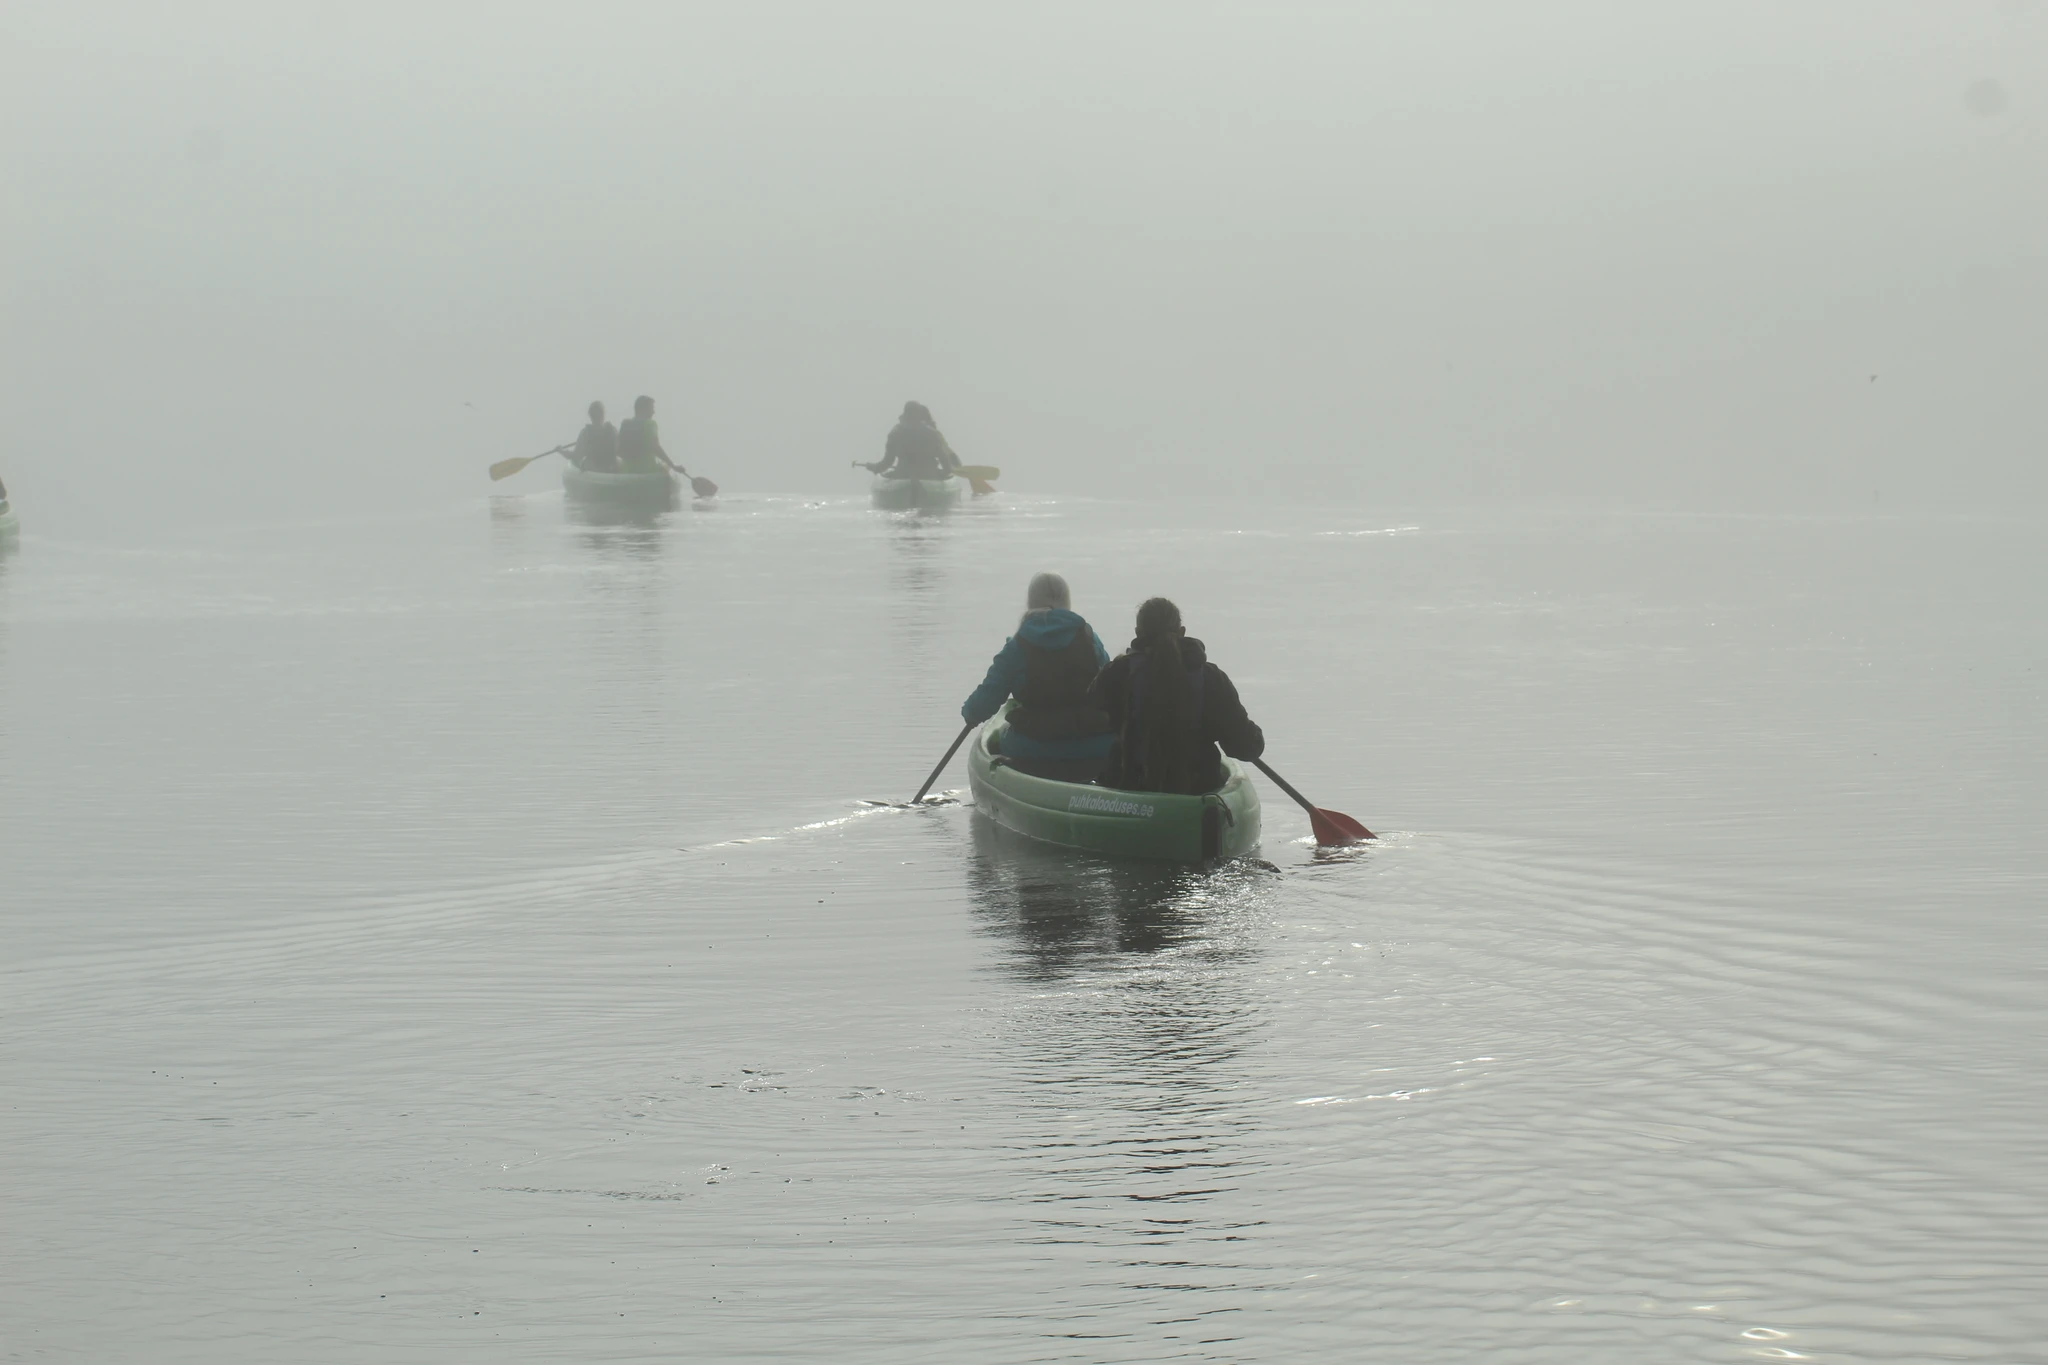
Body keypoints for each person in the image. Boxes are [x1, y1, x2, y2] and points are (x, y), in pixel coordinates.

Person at [1089, 597, 1265, 794]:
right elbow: (1245, 748)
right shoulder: (1211, 678)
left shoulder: (1115, 674)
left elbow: (1092, 724)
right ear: (1181, 632)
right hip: (1198, 789)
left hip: (1129, 786)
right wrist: (1254, 736)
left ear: (1138, 633)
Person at [961, 572, 1117, 780]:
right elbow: (1109, 685)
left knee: (1002, 735)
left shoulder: (1017, 645)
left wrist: (970, 714)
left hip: (1035, 747)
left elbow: (986, 699)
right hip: (1093, 744)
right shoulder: (1089, 637)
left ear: (1030, 602)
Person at [868, 401, 962, 480]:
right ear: (920, 415)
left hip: (903, 475)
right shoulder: (933, 434)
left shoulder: (895, 434)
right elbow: (944, 461)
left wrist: (875, 467)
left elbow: (887, 462)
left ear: (905, 414)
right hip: (929, 475)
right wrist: (945, 473)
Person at [616, 395, 671, 474]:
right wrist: (672, 465)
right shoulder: (650, 424)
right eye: (651, 408)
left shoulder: (625, 424)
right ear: (644, 409)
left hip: (627, 471)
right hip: (647, 471)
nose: (653, 412)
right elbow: (656, 447)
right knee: (666, 467)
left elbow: (618, 450)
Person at [570, 401, 618, 471]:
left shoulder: (585, 433)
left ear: (590, 416)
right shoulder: (613, 430)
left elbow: (577, 456)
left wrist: (561, 451)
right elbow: (618, 451)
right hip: (610, 470)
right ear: (603, 415)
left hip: (593, 470)